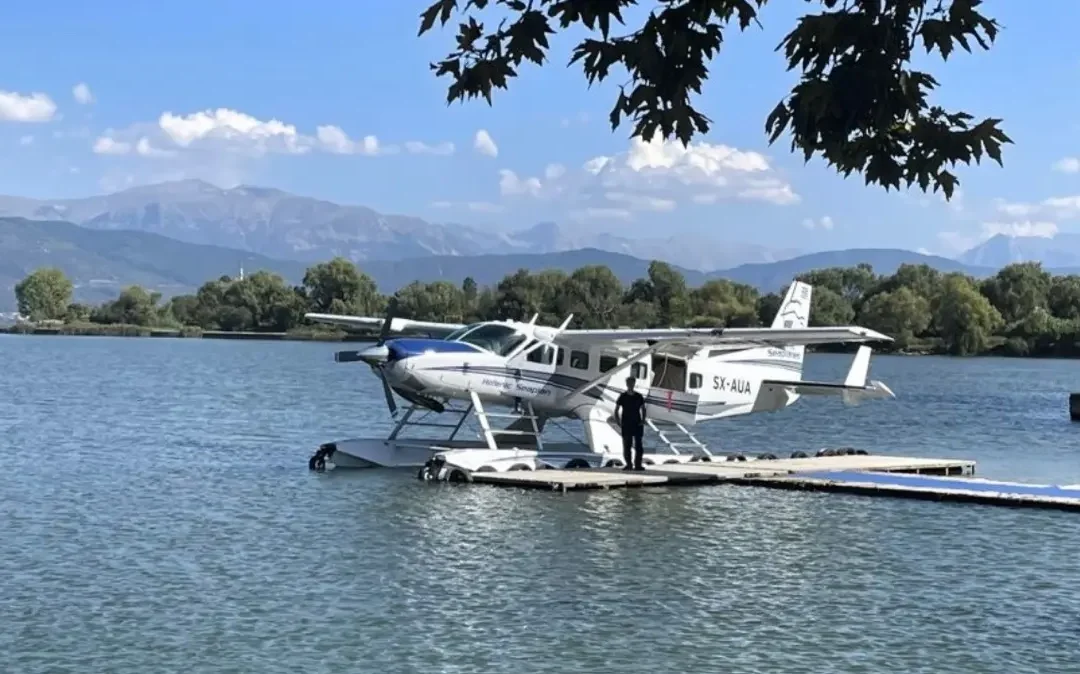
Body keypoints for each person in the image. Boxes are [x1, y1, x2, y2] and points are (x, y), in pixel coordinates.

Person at [614, 376, 646, 471]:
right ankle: (629, 464)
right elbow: (616, 410)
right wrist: (618, 421)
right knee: (627, 445)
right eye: (629, 383)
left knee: (639, 446)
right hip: (626, 423)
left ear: (634, 384)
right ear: (626, 384)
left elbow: (643, 409)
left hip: (637, 423)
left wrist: (643, 420)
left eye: (632, 383)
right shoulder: (623, 396)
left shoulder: (639, 396)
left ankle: (638, 465)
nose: (630, 385)